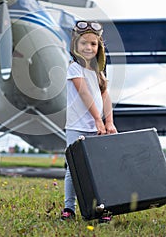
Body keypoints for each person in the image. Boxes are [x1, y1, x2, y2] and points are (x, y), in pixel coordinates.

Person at [61, 20, 117, 222]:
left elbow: (105, 96)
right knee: (73, 169)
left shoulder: (98, 71)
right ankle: (69, 208)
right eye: (84, 43)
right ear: (75, 45)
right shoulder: (74, 68)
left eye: (93, 44)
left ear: (99, 47)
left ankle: (103, 208)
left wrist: (108, 121)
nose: (88, 47)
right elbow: (84, 94)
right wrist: (97, 119)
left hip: (98, 128)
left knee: (100, 169)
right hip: (77, 127)